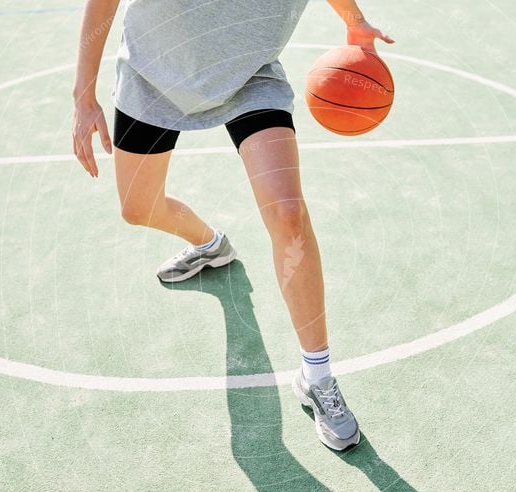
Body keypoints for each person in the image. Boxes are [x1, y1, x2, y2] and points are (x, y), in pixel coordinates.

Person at [72, 0, 394, 450]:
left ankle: (317, 375)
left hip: (249, 78)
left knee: (289, 217)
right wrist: (83, 95)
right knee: (137, 208)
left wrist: (354, 19)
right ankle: (208, 244)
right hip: (155, 74)